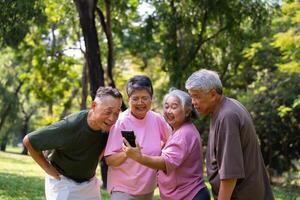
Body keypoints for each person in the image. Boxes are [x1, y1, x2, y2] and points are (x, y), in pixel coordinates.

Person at [185, 69, 274, 200]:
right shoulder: (227, 107)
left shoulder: (227, 117)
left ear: (213, 94)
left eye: (196, 96)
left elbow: (230, 174)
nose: (193, 102)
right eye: (191, 96)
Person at [23, 87, 123, 200]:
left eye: (116, 113)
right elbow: (29, 141)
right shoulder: (70, 125)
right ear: (94, 106)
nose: (112, 118)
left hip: (89, 183)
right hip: (62, 182)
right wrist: (48, 169)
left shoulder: (111, 128)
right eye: (108, 112)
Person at [123, 89, 210, 200]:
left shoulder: (183, 134)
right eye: (166, 106)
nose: (168, 111)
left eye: (174, 107)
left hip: (190, 195)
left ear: (187, 111)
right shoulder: (179, 130)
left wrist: (139, 157)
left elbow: (165, 162)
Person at [104, 75, 171, 200]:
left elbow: (171, 141)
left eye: (144, 98)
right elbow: (109, 160)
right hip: (122, 190)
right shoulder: (121, 122)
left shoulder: (157, 119)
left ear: (151, 99)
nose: (140, 103)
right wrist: (128, 153)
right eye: (135, 98)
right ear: (128, 100)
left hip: (147, 188)